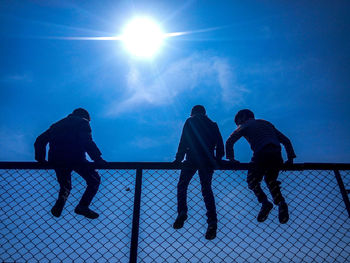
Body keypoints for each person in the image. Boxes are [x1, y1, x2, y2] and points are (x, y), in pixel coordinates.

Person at [225, 109, 296, 224]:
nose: (238, 125)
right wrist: (290, 159)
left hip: (261, 154)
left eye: (238, 122)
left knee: (252, 181)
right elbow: (286, 141)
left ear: (243, 118)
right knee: (270, 180)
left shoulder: (245, 125)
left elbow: (229, 141)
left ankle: (265, 203)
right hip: (276, 155)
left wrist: (231, 159)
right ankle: (281, 203)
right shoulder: (266, 123)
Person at [34, 108, 106, 219]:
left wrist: (41, 159)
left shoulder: (56, 125)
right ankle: (83, 206)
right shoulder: (83, 122)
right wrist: (98, 159)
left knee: (65, 185)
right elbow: (86, 140)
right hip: (75, 157)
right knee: (94, 180)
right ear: (86, 117)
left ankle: (60, 204)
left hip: (57, 159)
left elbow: (40, 140)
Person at [173, 105, 224, 240]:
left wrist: (178, 159)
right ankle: (212, 221)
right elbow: (220, 143)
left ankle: (182, 211)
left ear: (192, 112)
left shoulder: (190, 121)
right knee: (206, 189)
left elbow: (184, 140)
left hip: (192, 158)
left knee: (182, 185)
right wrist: (218, 159)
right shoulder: (212, 124)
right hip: (208, 160)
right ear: (204, 112)